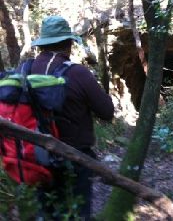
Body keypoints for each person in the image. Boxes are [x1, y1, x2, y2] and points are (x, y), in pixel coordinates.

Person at [30, 15, 114, 220]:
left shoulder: (26, 69)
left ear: (42, 44)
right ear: (68, 44)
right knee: (78, 212)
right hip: (75, 157)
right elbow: (107, 112)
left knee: (47, 211)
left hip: (38, 156)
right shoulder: (78, 73)